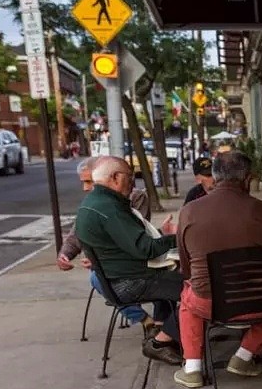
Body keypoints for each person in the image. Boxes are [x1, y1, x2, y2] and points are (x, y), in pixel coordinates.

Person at [173, 152, 262, 388]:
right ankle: (244, 355)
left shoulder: (188, 212)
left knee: (188, 299)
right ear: (247, 179)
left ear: (213, 176)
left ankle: (192, 368)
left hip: (210, 305)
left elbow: (187, 268)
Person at [75, 156, 184, 366]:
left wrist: (162, 236)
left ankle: (162, 329)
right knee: (199, 291)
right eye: (129, 176)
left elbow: (132, 242)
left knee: (177, 279)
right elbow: (147, 249)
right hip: (130, 281)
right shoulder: (109, 208)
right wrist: (178, 237)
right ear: (115, 178)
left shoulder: (92, 203)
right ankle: (161, 342)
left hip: (117, 277)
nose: (133, 182)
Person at [58, 157, 155, 332]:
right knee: (98, 278)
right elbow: (76, 234)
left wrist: (100, 259)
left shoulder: (134, 197)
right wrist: (65, 254)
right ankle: (146, 321)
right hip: (109, 267)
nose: (85, 188)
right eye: (83, 182)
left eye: (89, 182)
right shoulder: (92, 203)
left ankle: (164, 328)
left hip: (132, 263)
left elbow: (132, 238)